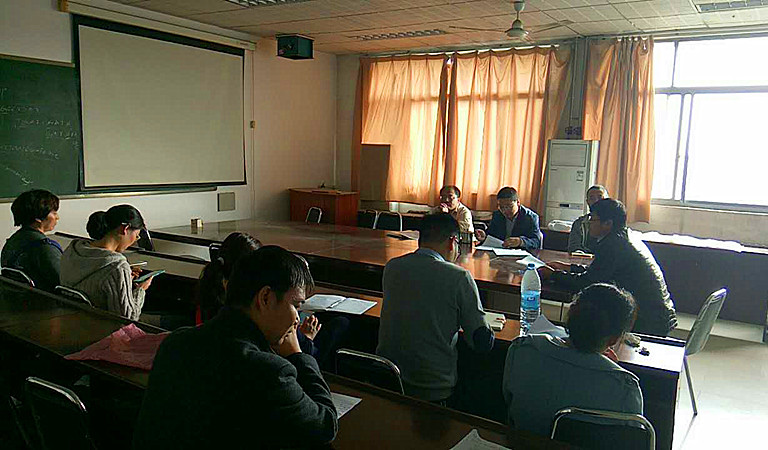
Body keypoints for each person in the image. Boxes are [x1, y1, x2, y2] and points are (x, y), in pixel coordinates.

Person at [133, 246, 338, 449]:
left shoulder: (176, 342)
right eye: (296, 306)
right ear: (265, 297)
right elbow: (325, 426)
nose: (297, 319)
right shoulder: (268, 371)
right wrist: (297, 355)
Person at [377, 213, 496, 404]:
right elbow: (480, 341)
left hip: (388, 378)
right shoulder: (458, 277)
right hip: (432, 386)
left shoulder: (392, 267)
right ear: (452, 241)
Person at [502, 283, 643, 437]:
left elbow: (508, 403)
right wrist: (610, 370)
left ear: (570, 314)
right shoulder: (625, 388)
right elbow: (630, 438)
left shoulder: (522, 350)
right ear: (613, 339)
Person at [197, 232, 348, 368]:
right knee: (341, 322)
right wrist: (304, 343)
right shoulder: (269, 363)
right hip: (302, 352)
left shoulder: (211, 299)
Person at [540, 198, 677, 336]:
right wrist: (568, 268)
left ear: (608, 223)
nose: (589, 223)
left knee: (590, 315)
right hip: (659, 314)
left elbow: (588, 283)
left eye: (593, 219)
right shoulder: (624, 237)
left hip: (648, 319)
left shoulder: (613, 245)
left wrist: (552, 274)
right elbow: (600, 272)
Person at [60, 205, 150, 321]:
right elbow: (126, 319)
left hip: (69, 320)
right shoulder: (117, 266)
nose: (134, 241)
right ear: (125, 229)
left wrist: (124, 279)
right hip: (101, 326)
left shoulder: (73, 250)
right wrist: (141, 290)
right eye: (136, 236)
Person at [1, 189, 62, 291]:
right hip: (44, 299)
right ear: (38, 218)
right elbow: (65, 282)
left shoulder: (13, 240)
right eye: (54, 213)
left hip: (18, 297)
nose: (57, 217)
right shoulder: (44, 248)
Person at [475, 187, 542, 250]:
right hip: (499, 252)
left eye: (509, 206)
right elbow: (492, 234)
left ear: (518, 202)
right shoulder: (497, 215)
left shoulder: (530, 217)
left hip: (520, 254)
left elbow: (536, 242)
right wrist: (484, 237)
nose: (505, 211)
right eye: (501, 207)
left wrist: (521, 242)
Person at [568, 185, 609, 253]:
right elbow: (574, 247)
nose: (596, 201)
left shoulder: (614, 222)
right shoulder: (579, 223)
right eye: (592, 198)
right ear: (587, 202)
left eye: (600, 197)